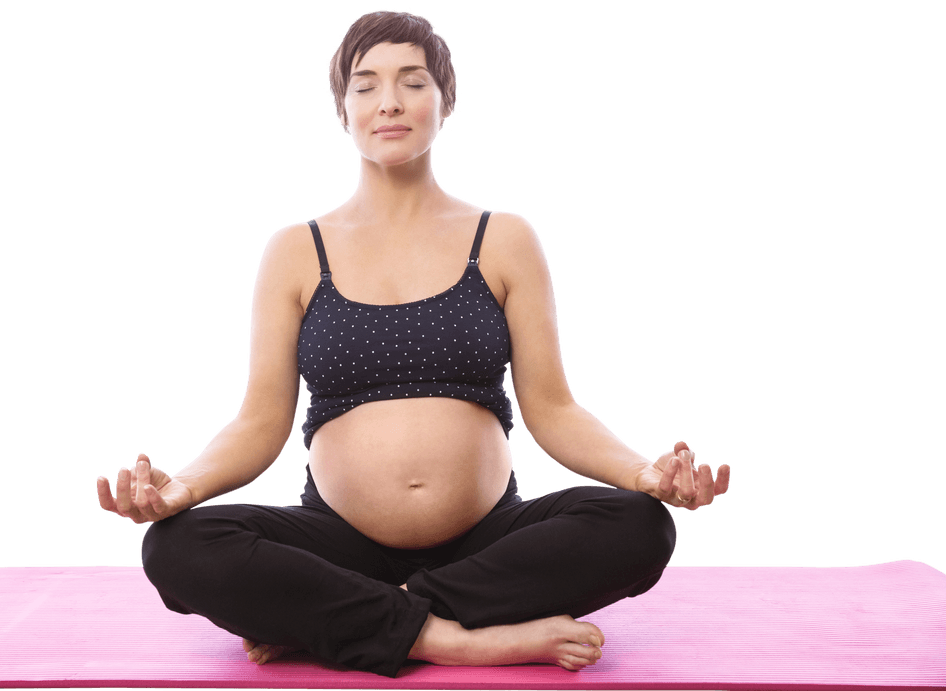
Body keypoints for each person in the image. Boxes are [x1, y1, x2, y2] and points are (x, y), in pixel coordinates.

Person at [94, 8, 731, 680]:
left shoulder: (505, 239)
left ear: (445, 100)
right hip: (338, 542)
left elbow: (555, 410)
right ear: (342, 110)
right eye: (365, 85)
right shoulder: (295, 251)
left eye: (412, 81)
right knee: (176, 547)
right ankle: (459, 637)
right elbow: (258, 424)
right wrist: (180, 488)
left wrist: (646, 475)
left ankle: (339, 620)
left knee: (643, 527)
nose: (389, 101)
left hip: (486, 544)